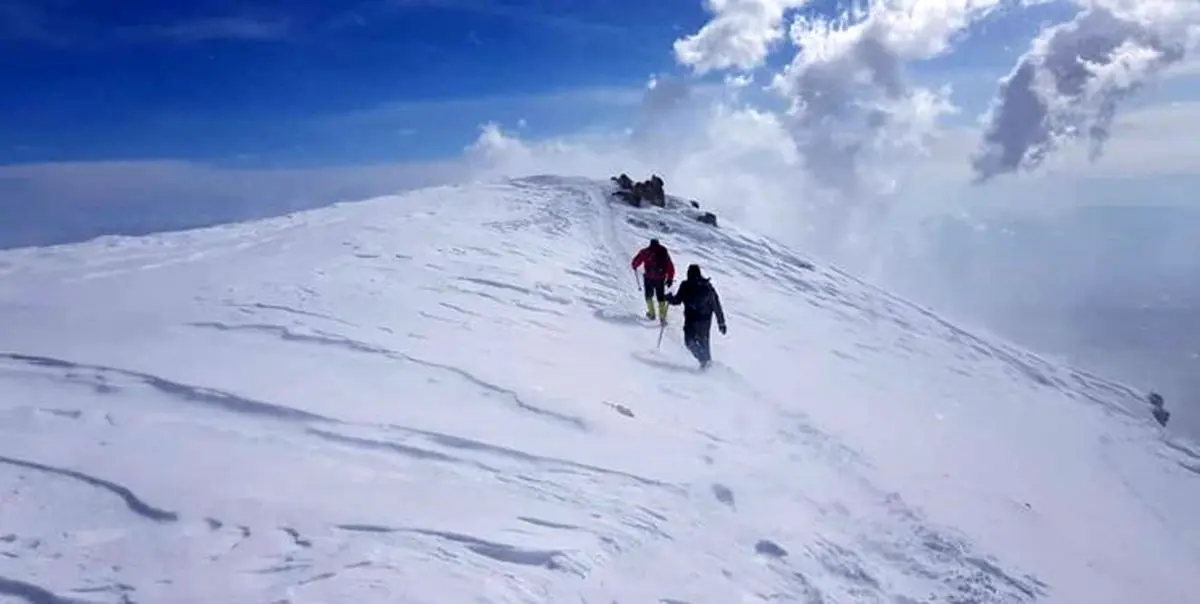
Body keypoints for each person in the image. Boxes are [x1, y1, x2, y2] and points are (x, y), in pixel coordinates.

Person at [665, 264, 727, 369]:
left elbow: (677, 300)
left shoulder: (685, 285)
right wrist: (721, 323)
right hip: (705, 322)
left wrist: (668, 298)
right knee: (704, 343)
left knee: (689, 342)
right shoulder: (708, 287)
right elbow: (716, 306)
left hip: (691, 321)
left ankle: (704, 363)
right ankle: (709, 368)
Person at [631, 238, 675, 323]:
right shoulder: (663, 252)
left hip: (649, 278)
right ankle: (662, 316)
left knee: (648, 296)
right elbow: (670, 265)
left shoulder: (645, 252)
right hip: (660, 278)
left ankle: (651, 314)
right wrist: (670, 278)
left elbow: (636, 261)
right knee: (661, 297)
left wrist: (634, 266)